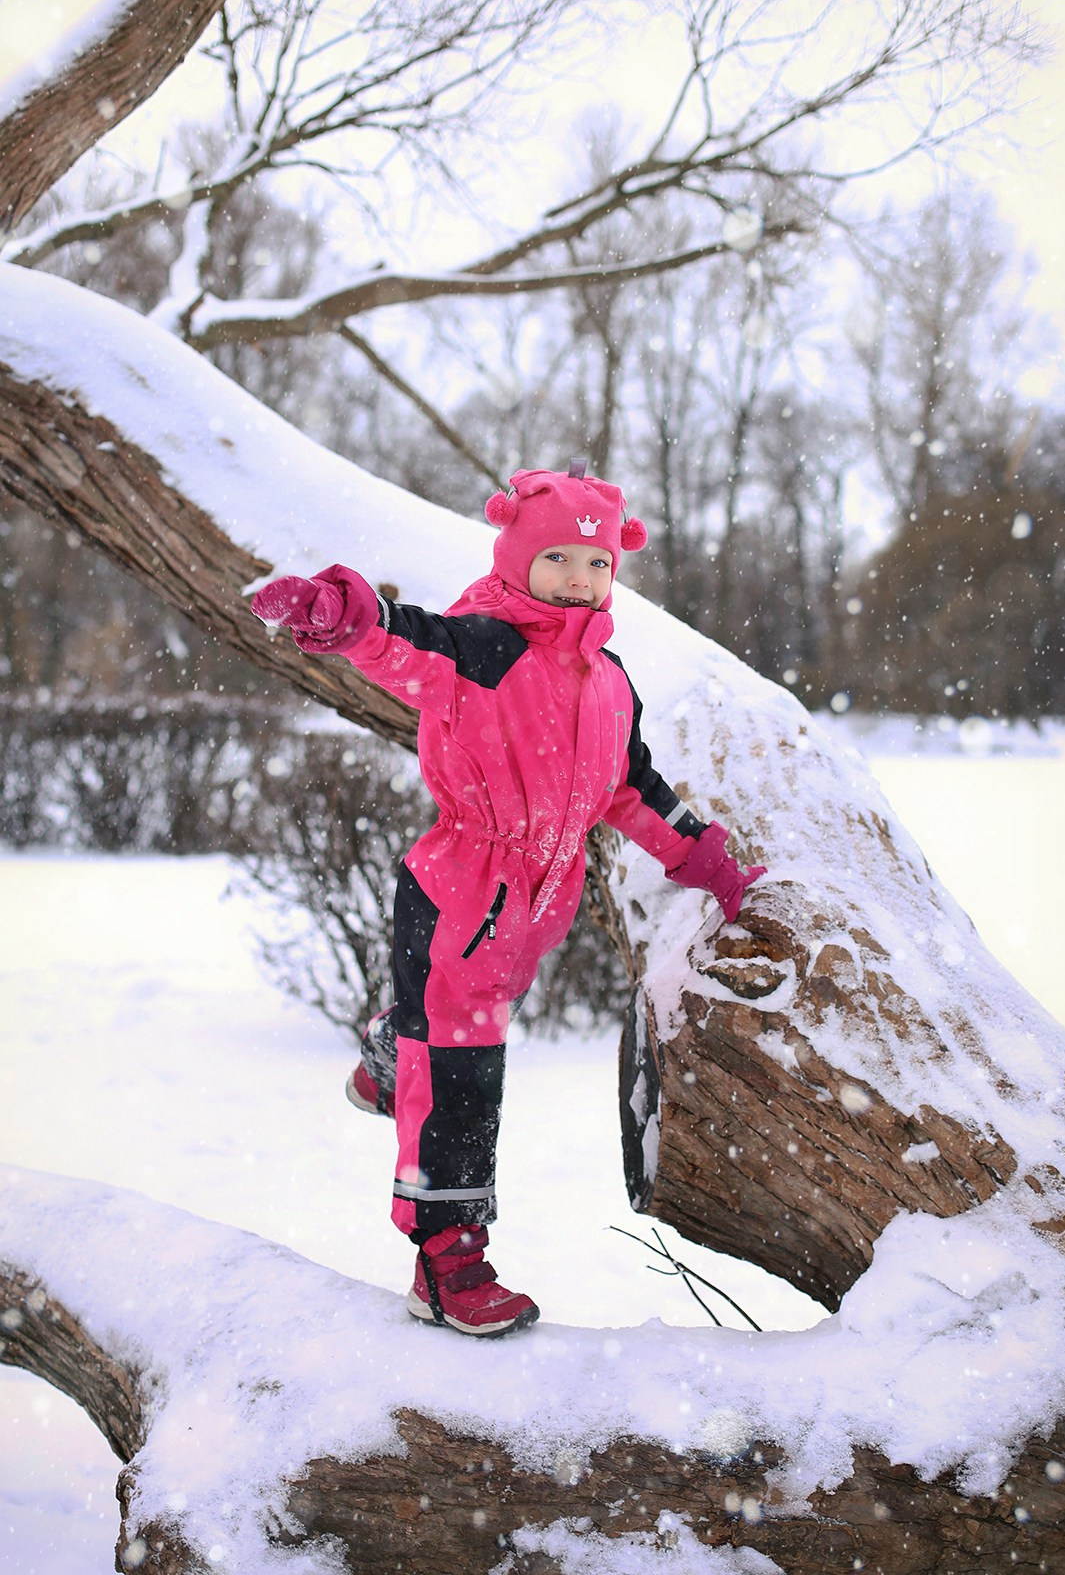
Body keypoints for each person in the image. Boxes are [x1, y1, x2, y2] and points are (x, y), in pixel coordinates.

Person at [250, 463, 766, 1338]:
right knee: (460, 1074)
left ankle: (389, 1052)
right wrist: (343, 618)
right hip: (460, 893)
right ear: (519, 556)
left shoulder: (608, 682)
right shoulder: (484, 645)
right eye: (558, 557)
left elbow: (631, 788)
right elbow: (403, 643)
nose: (579, 578)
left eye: (597, 564)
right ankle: (445, 1254)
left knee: (439, 1042)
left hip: (532, 910)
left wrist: (707, 862)